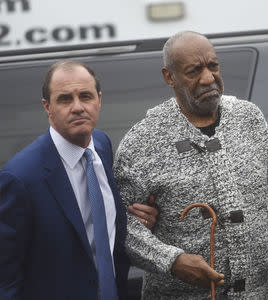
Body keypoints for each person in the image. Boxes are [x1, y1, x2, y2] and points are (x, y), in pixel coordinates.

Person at [113, 31, 268, 300]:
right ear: (169, 77)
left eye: (213, 66)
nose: (208, 78)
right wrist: (172, 260)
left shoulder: (249, 118)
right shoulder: (142, 141)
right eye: (194, 71)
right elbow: (120, 226)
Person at [0, 60, 156, 300]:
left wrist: (133, 218)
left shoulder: (102, 145)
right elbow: (6, 278)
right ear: (47, 107)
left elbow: (102, 227)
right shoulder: (19, 178)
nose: (78, 107)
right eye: (64, 99)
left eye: (86, 96)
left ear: (99, 100)